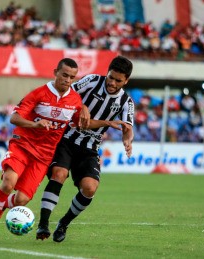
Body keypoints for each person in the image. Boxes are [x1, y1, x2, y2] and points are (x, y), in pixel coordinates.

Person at [0, 58, 91, 246]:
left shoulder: (75, 100)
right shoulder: (39, 93)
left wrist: (89, 111)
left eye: (71, 77)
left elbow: (81, 122)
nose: (68, 80)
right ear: (55, 72)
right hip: (23, 145)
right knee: (8, 184)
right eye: (64, 75)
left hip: (44, 156)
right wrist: (34, 124)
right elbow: (14, 118)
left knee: (21, 200)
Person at [36, 55, 135, 242]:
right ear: (107, 72)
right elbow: (67, 93)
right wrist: (81, 105)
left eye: (118, 80)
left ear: (126, 81)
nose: (112, 82)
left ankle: (64, 223)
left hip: (89, 148)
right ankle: (43, 224)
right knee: (59, 173)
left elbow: (127, 127)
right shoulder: (92, 81)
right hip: (66, 139)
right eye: (111, 77)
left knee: (89, 188)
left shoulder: (126, 103)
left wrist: (127, 140)